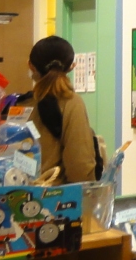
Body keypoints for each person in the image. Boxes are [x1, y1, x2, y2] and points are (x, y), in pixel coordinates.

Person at [27, 36, 97, 183]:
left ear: (30, 66)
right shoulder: (72, 103)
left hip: (14, 193)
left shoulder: (19, 105)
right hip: (56, 194)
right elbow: (80, 167)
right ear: (71, 66)